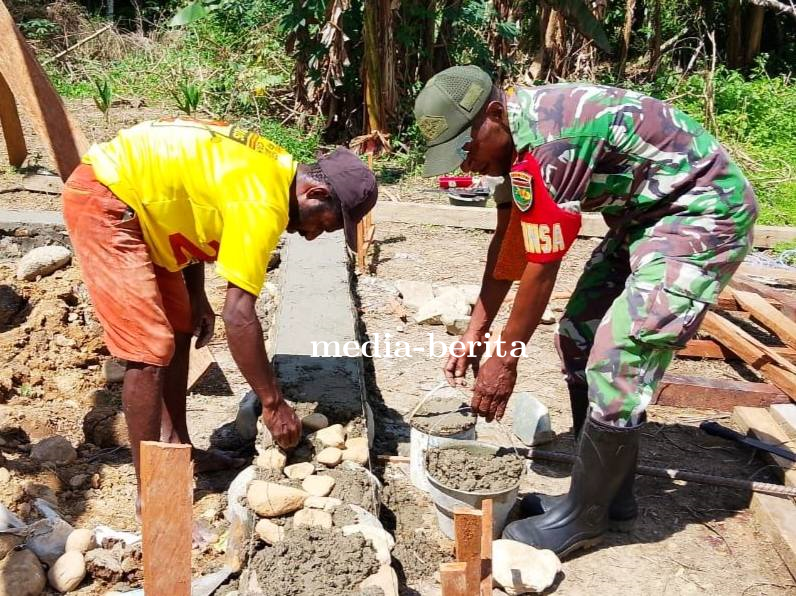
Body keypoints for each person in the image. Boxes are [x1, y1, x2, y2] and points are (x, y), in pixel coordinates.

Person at [414, 65, 757, 557]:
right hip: (643, 220)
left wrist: (504, 359)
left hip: (700, 215)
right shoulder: (514, 149)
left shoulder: (550, 146)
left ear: (494, 114)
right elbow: (510, 244)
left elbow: (542, 262)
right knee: (578, 334)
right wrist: (476, 332)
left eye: (466, 148)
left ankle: (584, 519)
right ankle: (607, 497)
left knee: (621, 352)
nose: (466, 163)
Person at [62, 118, 377, 517]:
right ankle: (153, 497)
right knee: (149, 352)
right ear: (314, 192)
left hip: (141, 204)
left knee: (180, 326)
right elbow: (239, 316)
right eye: (324, 223)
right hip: (107, 199)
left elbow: (189, 204)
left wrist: (195, 295)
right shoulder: (265, 201)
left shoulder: (275, 168)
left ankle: (178, 450)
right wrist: (272, 402)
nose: (312, 235)